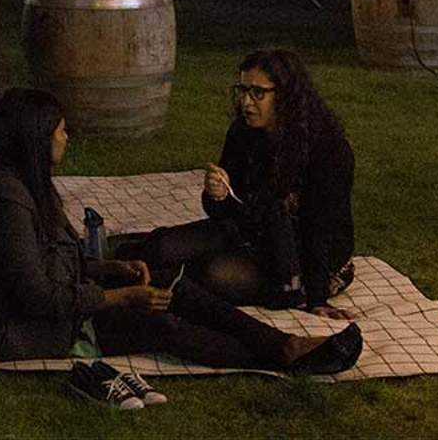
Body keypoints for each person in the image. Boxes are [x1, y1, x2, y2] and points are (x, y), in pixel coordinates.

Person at [0, 88, 361, 394]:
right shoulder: (8, 199)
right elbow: (37, 297)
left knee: (173, 283)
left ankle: (284, 344)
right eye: (61, 131)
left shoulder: (26, 180)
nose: (67, 137)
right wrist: (121, 297)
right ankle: (280, 357)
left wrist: (113, 270)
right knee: (159, 323)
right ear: (37, 138)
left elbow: (53, 259)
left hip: (56, 305)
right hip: (17, 329)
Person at [120, 50, 357, 318]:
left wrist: (317, 298)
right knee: (163, 246)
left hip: (305, 254)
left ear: (286, 96)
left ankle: (133, 289)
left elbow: (319, 227)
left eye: (258, 93)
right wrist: (217, 195)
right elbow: (225, 212)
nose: (246, 102)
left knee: (212, 273)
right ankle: (108, 270)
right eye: (243, 90)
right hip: (253, 229)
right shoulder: (243, 132)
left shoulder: (327, 149)